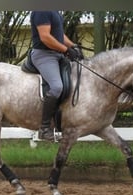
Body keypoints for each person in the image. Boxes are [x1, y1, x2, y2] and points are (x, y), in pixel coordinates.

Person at [30, 11, 83, 141]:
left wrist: (73, 46)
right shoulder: (41, 10)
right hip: (44, 55)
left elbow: (59, 36)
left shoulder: (54, 11)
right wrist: (66, 50)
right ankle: (44, 129)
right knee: (56, 87)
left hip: (57, 55)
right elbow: (45, 37)